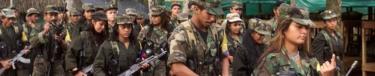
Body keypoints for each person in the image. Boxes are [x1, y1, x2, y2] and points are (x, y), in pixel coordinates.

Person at [253, 7, 337, 76]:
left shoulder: (310, 60)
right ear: (284, 29)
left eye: (306, 27)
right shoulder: (271, 61)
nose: (304, 31)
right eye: (299, 26)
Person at [167, 0, 224, 75]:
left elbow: (224, 55)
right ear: (196, 9)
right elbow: (177, 67)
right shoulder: (181, 32)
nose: (213, 18)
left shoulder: (217, 30)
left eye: (215, 14)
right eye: (209, 14)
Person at [65, 11, 108, 76]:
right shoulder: (83, 37)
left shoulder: (106, 38)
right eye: (101, 24)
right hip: (86, 72)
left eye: (105, 25)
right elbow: (70, 54)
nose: (103, 27)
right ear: (93, 22)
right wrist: (76, 71)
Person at [137, 6, 173, 76]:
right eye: (152, 16)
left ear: (162, 16)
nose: (153, 18)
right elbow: (138, 46)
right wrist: (142, 57)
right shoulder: (146, 29)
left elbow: (172, 48)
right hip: (147, 64)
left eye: (156, 16)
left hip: (162, 65)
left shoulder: (168, 30)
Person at [31, 5, 66, 76]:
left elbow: (68, 46)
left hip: (57, 62)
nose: (53, 17)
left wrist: (61, 41)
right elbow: (32, 42)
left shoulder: (61, 28)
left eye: (55, 15)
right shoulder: (38, 27)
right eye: (51, 15)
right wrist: (44, 32)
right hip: (41, 63)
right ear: (45, 15)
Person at [312, 9, 345, 75]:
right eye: (329, 21)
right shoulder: (321, 36)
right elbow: (318, 58)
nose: (332, 23)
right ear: (325, 22)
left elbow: (340, 54)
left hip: (339, 67)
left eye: (334, 20)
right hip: (328, 69)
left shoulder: (337, 34)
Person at [0, 8, 24, 76]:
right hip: (3, 65)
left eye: (12, 19)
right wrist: (2, 61)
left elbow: (23, 40)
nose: (11, 21)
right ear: (2, 18)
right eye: (8, 19)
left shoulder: (16, 29)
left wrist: (25, 47)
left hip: (14, 63)